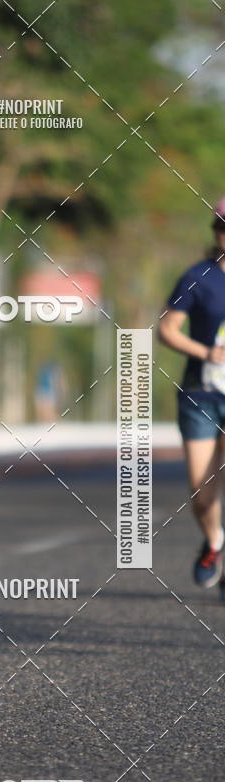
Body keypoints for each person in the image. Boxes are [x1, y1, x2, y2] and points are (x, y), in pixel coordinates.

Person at [158, 196, 225, 598]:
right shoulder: (198, 276)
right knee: (202, 489)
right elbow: (167, 329)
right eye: (222, 226)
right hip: (201, 393)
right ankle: (214, 542)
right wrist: (207, 352)